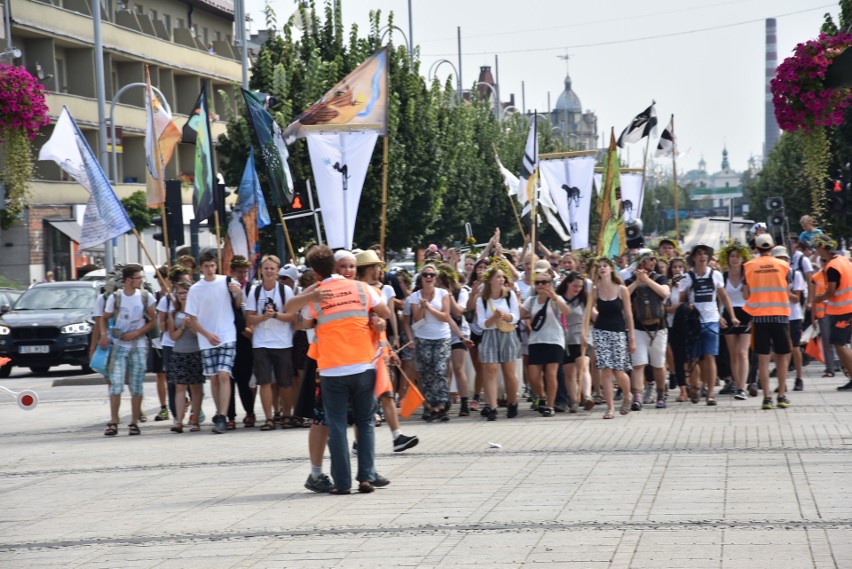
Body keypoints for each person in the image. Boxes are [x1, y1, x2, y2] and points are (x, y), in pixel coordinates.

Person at [288, 245, 390, 494]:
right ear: (336, 266)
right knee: (365, 423)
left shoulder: (320, 294)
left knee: (336, 426)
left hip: (333, 369)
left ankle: (343, 483)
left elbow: (299, 317)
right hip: (363, 365)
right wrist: (378, 321)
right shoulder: (362, 289)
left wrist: (309, 293)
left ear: (315, 270)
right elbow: (385, 311)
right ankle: (366, 478)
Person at [355, 249, 419, 450]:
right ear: (369, 269)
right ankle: (359, 442)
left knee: (387, 394)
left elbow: (381, 326)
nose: (379, 269)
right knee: (364, 400)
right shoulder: (360, 291)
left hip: (378, 351)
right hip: (364, 354)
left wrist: (389, 349)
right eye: (376, 266)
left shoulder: (379, 290)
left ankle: (397, 437)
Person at [185, 251, 242, 434]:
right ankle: (219, 413)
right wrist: (207, 334)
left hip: (227, 335)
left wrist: (238, 293)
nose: (209, 269)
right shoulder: (195, 289)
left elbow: (239, 306)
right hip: (207, 339)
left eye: (212, 265)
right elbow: (192, 319)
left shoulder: (227, 282)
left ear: (216, 265)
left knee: (224, 374)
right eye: (206, 266)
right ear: (200, 268)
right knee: (215, 379)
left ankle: (223, 416)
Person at [100, 264, 157, 436]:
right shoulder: (115, 298)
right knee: (116, 384)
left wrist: (138, 332)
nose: (141, 281)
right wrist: (104, 335)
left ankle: (134, 422)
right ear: (127, 280)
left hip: (138, 345)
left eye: (141, 277)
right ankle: (114, 421)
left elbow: (154, 321)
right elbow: (104, 318)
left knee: (136, 385)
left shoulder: (146, 297)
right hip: (119, 344)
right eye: (138, 278)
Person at [678, 244, 738, 406]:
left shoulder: (716, 275)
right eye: (698, 254)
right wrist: (687, 307)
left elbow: (724, 297)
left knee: (711, 357)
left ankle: (710, 394)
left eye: (705, 254)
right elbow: (681, 300)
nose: (702, 257)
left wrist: (731, 316)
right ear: (693, 258)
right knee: (694, 359)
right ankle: (696, 387)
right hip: (694, 323)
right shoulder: (687, 277)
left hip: (711, 320)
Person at [245, 255, 298, 431]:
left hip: (282, 342)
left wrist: (275, 315)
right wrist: (263, 317)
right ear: (261, 270)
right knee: (264, 381)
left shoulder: (286, 292)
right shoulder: (255, 291)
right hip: (261, 342)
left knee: (285, 382)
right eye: (266, 268)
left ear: (277, 271)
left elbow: (291, 316)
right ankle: (268, 418)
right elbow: (249, 319)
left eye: (272, 268)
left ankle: (287, 415)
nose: (269, 271)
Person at [742, 235, 792, 410]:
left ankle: (767, 398)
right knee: (782, 357)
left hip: (760, 317)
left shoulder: (748, 267)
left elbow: (746, 294)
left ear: (756, 248)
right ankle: (782, 395)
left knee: (763, 359)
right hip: (780, 316)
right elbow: (787, 289)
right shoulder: (784, 266)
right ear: (772, 246)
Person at [520, 265, 571, 416]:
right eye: (537, 283)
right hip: (536, 340)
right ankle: (542, 396)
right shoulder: (532, 299)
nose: (540, 285)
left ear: (550, 284)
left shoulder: (556, 299)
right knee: (533, 375)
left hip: (554, 339)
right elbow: (521, 314)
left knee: (551, 373)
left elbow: (566, 312)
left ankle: (550, 405)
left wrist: (554, 297)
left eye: (544, 282)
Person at [407, 263, 454, 421]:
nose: (428, 277)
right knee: (426, 374)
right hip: (423, 338)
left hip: (442, 337)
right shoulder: (415, 297)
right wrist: (421, 308)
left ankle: (441, 404)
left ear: (436, 278)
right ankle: (429, 405)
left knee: (439, 370)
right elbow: (417, 320)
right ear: (421, 278)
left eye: (431, 275)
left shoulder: (443, 294)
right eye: (425, 275)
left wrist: (429, 308)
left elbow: (445, 316)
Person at [474, 264, 521, 421]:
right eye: (498, 277)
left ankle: (512, 402)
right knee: (491, 370)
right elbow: (481, 323)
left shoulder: (510, 295)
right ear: (490, 281)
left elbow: (516, 316)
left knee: (509, 371)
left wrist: (506, 316)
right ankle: (492, 406)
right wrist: (494, 317)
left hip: (507, 333)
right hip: (490, 334)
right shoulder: (482, 299)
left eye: (502, 277)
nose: (501, 280)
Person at [589, 258, 635, 419]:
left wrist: (632, 337)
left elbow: (628, 315)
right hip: (600, 332)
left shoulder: (622, 289)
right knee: (606, 370)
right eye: (599, 267)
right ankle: (610, 408)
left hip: (619, 332)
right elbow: (588, 311)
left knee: (619, 370)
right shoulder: (594, 290)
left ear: (611, 269)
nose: (602, 269)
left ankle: (628, 395)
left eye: (605, 266)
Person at [624, 251, 670, 410]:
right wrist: (638, 281)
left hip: (659, 328)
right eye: (649, 259)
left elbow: (664, 293)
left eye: (654, 259)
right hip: (639, 328)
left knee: (658, 364)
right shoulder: (631, 280)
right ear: (641, 262)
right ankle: (637, 397)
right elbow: (623, 296)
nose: (653, 261)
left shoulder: (660, 278)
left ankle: (661, 395)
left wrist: (647, 280)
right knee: (639, 364)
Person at [811, 234, 852, 390]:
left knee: (840, 344)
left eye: (816, 247)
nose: (816, 251)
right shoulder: (844, 261)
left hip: (842, 310)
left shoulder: (831, 267)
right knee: (840, 342)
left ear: (822, 248)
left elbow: (831, 291)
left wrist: (817, 298)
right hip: (847, 308)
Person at [166, 281, 204, 433]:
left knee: (196, 388)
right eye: (179, 293)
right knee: (180, 387)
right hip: (179, 352)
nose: (182, 296)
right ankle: (179, 421)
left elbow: (199, 334)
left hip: (195, 352)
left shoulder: (197, 311)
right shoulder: (174, 314)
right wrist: (182, 326)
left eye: (185, 293)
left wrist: (192, 325)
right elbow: (173, 336)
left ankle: (195, 420)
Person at [718, 242, 752, 400]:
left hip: (745, 314)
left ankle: (742, 387)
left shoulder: (748, 275)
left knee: (742, 352)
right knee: (733, 354)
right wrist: (719, 317)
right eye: (732, 256)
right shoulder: (723, 276)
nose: (735, 259)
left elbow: (751, 297)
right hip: (728, 314)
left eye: (738, 257)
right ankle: (738, 386)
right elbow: (718, 299)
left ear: (743, 258)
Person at [772, 246, 807, 391]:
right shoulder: (771, 276)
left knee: (795, 347)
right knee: (781, 350)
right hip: (778, 314)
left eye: (784, 259)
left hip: (793, 315)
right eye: (778, 259)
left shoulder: (795, 274)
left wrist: (784, 291)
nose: (782, 261)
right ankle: (783, 382)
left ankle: (799, 378)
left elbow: (796, 298)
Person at [227, 255, 255, 429]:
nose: (243, 275)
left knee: (245, 380)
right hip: (231, 336)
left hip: (247, 340)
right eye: (239, 272)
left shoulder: (252, 287)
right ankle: (230, 415)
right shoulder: (226, 287)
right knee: (228, 379)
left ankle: (250, 412)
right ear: (232, 272)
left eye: (245, 271)